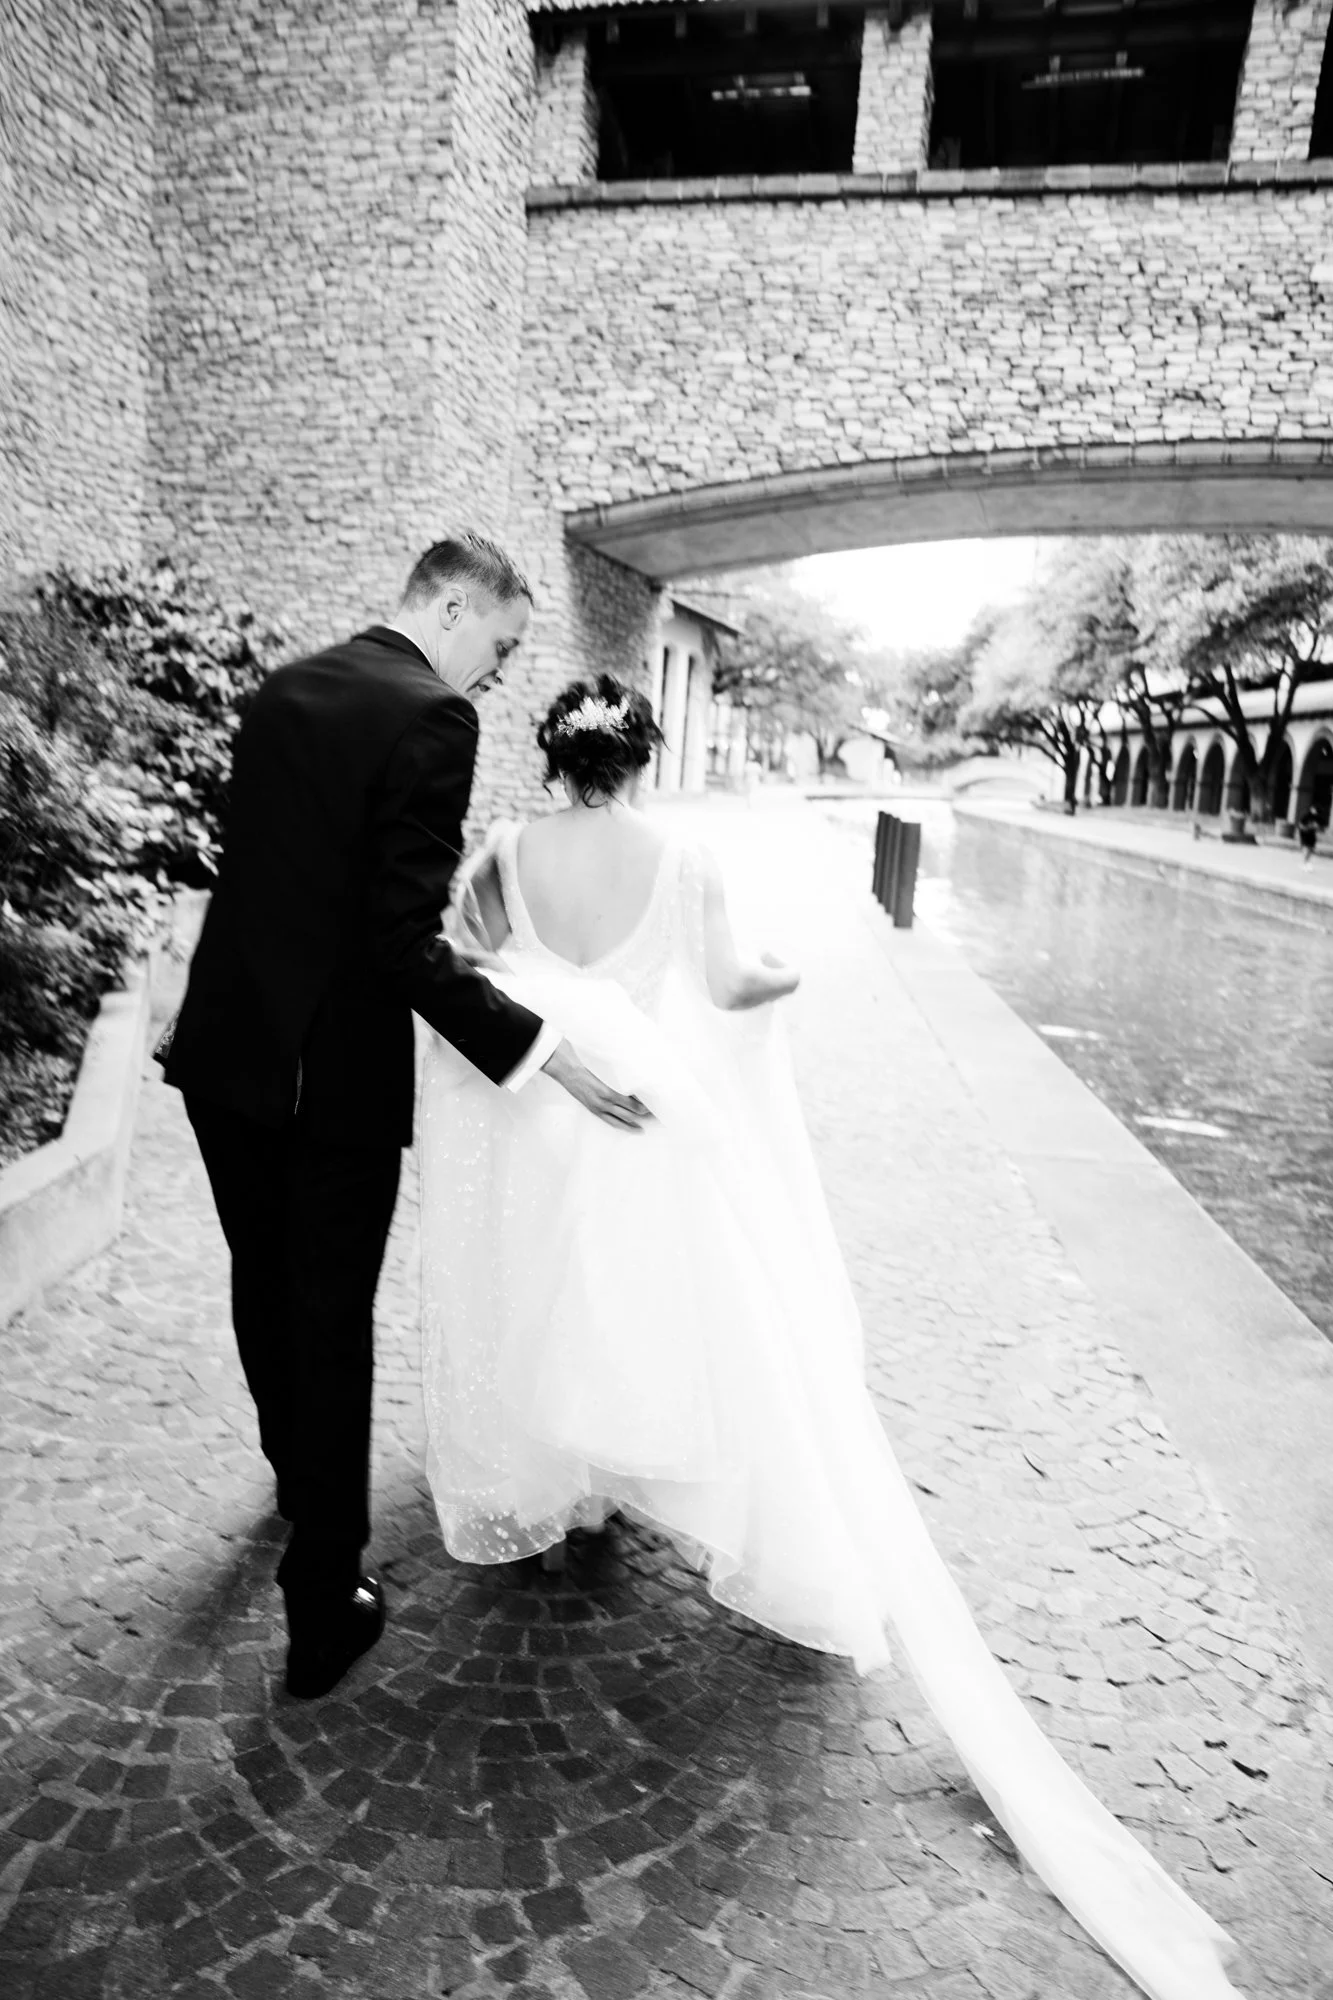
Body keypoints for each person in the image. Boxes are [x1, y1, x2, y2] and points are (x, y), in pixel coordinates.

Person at [418, 673, 1243, 2000]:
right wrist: (798, 963)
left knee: (558, 1283)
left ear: (554, 760)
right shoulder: (680, 855)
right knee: (682, 1297)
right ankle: (648, 1463)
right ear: (643, 758)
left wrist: (556, 1011)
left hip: (553, 1114)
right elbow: (740, 984)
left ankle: (573, 1482)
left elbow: (461, 959)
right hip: (652, 1113)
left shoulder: (505, 850)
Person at [161, 535, 649, 1701]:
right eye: (500, 641)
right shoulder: (433, 718)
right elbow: (399, 942)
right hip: (323, 1078)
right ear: (448, 601)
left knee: (260, 1277)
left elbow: (264, 875)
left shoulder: (283, 688)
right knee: (331, 1319)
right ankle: (323, 1605)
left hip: (225, 1052)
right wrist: (540, 1047)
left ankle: (296, 1476)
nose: (497, 671)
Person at [1298, 802, 1320, 867]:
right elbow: (1300, 825)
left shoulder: (1317, 818)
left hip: (1312, 835)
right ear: (1311, 809)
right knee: (1306, 849)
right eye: (1313, 809)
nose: (1314, 811)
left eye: (1315, 810)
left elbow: (1318, 827)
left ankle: (1306, 861)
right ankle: (1305, 862)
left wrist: (1316, 827)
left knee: (1311, 849)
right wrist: (1306, 828)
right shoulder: (1306, 816)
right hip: (1306, 835)